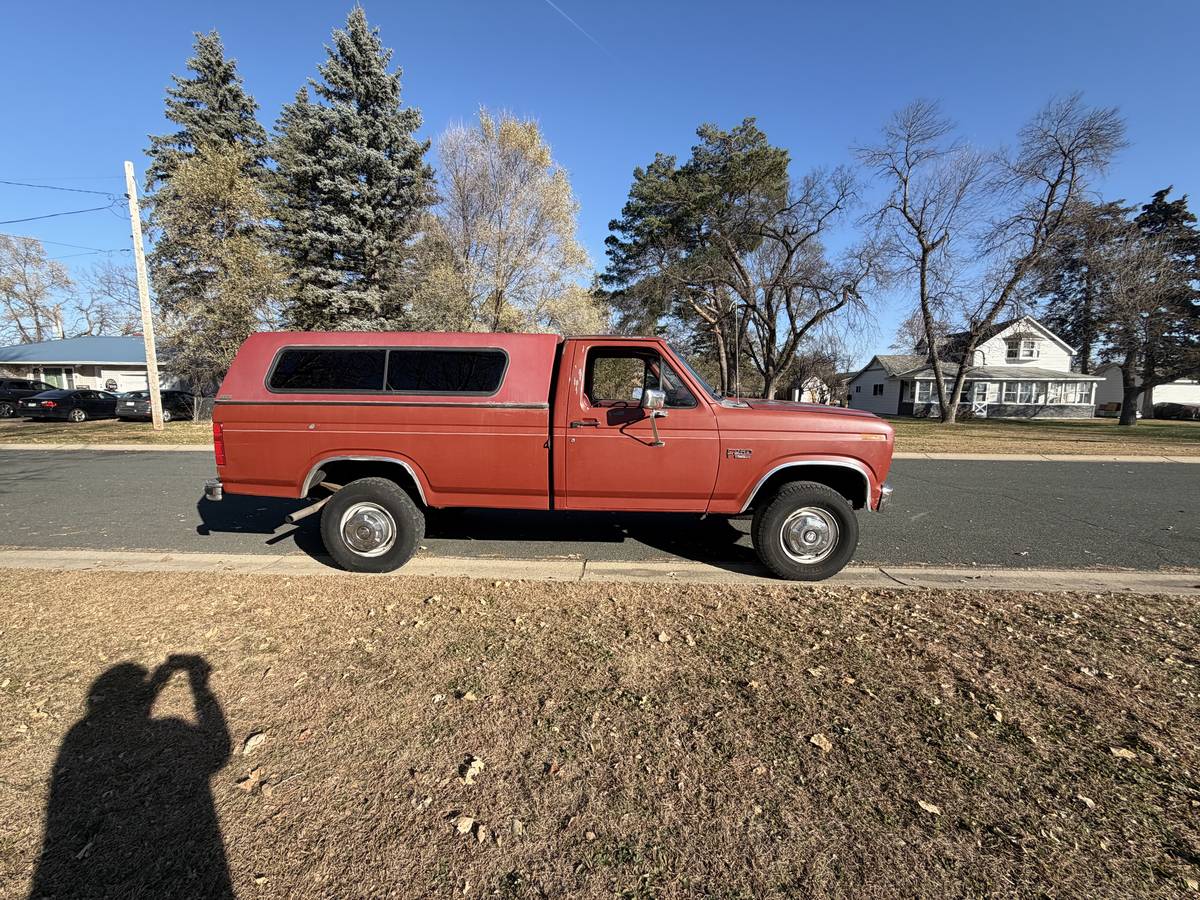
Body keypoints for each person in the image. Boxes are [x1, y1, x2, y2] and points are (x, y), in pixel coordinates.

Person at [29, 655, 233, 900]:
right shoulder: (84, 734)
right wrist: (198, 684)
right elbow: (217, 754)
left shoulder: (79, 734)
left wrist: (169, 678)